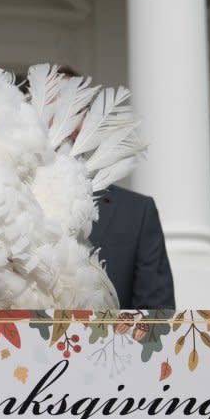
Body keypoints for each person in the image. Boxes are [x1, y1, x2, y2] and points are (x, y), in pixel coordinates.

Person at [55, 66, 176, 309]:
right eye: (52, 108)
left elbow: (157, 320)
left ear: (90, 121)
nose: (62, 121)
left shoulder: (136, 214)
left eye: (74, 108)